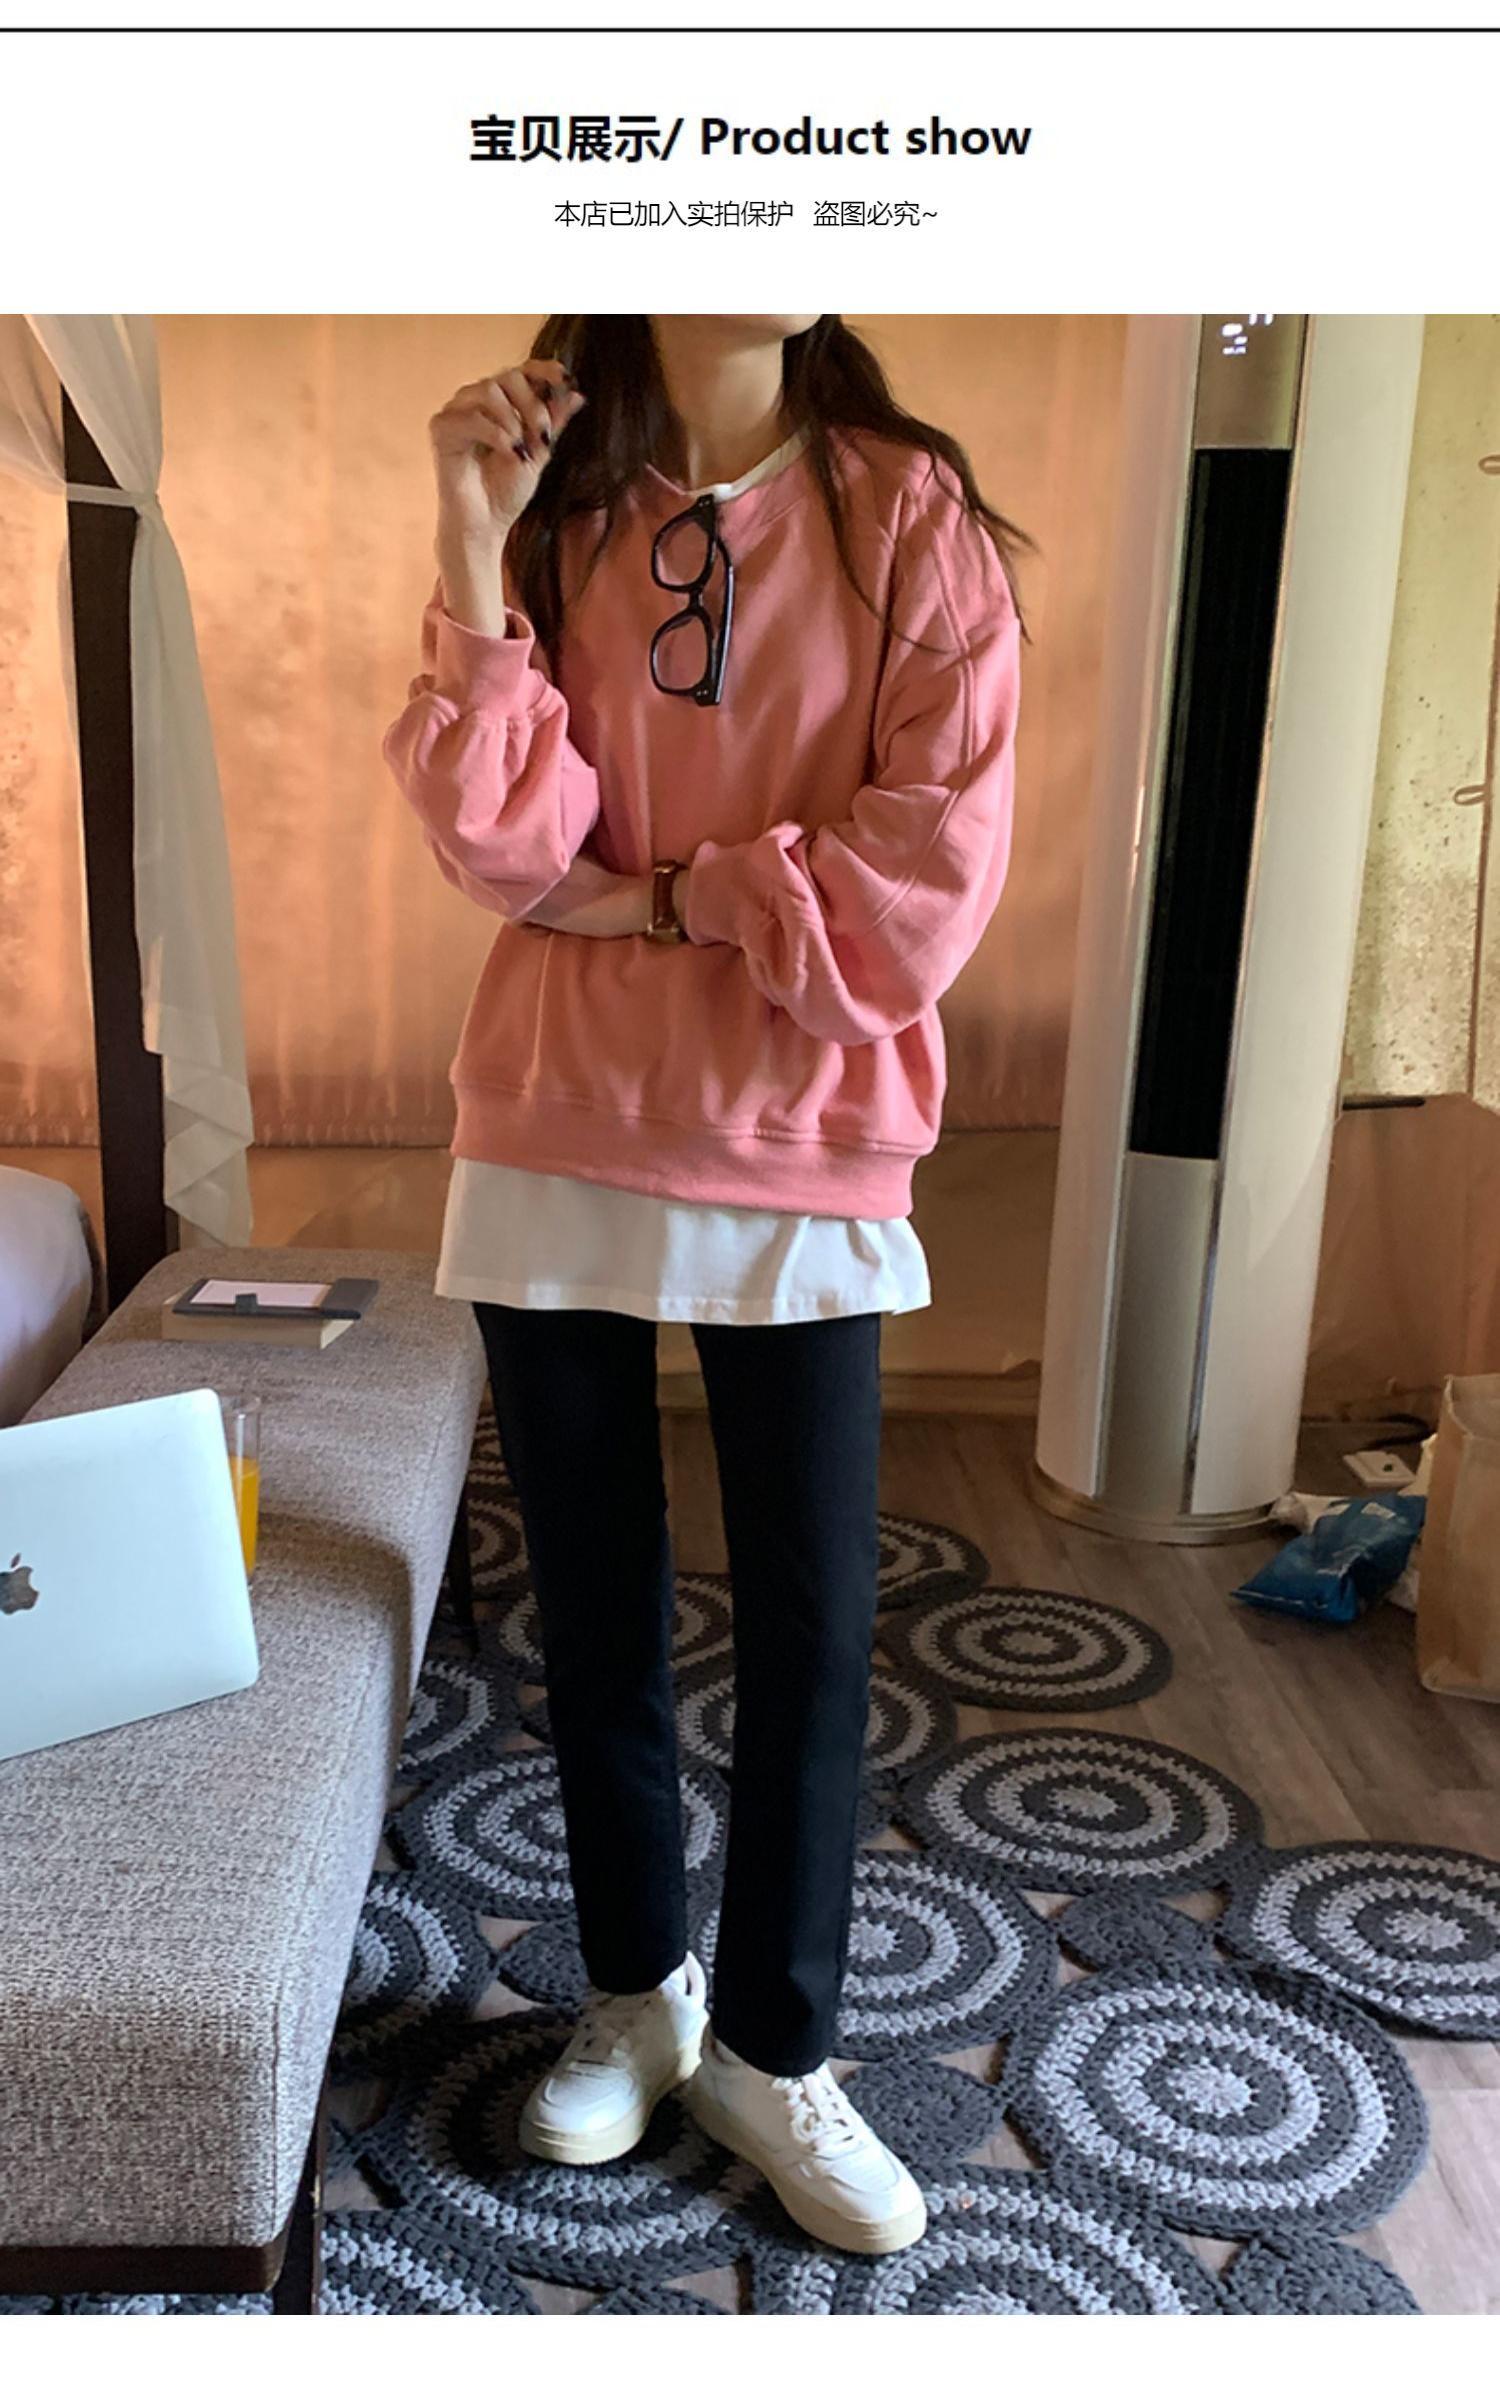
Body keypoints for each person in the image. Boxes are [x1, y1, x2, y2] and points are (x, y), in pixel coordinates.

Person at [384, 314, 1025, 2258]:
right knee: (590, 1596)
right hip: (557, 1109)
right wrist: (470, 536)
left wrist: (660, 892)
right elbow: (504, 842)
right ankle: (637, 1990)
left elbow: (925, 879)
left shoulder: (910, 515)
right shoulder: (558, 486)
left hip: (805, 1122)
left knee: (818, 1617)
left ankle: (774, 2048)